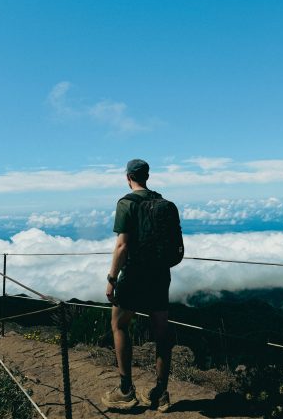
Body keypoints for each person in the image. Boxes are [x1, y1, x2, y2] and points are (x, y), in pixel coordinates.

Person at [101, 159, 177, 412]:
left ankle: (125, 390)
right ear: (147, 176)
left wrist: (112, 278)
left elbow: (122, 246)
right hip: (159, 275)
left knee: (119, 325)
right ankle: (160, 392)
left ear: (128, 177)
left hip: (133, 275)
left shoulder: (126, 204)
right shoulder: (163, 203)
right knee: (162, 334)